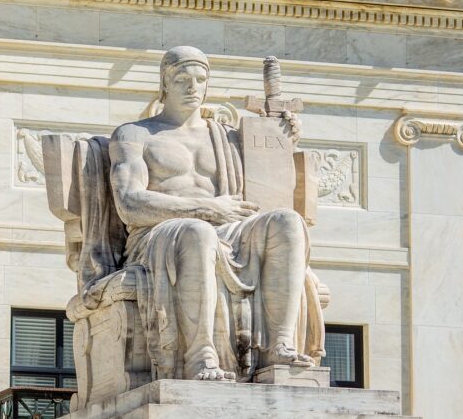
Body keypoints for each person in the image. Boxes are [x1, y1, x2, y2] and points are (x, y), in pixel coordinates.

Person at [107, 45, 325, 382]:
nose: (192, 87)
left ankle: (279, 347)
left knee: (287, 222)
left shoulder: (227, 137)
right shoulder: (135, 134)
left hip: (227, 228)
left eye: (200, 79)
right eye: (182, 79)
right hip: (159, 233)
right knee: (197, 231)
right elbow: (129, 203)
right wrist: (207, 208)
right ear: (164, 82)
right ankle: (200, 356)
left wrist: (283, 138)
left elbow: (271, 183)